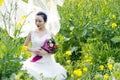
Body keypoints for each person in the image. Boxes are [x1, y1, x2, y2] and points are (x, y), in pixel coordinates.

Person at [21, 12, 67, 80]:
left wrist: (46, 52)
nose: (37, 23)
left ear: (45, 22)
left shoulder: (49, 34)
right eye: (36, 21)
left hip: (47, 62)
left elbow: (55, 49)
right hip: (35, 62)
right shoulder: (31, 33)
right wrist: (33, 50)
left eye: (40, 21)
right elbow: (24, 47)